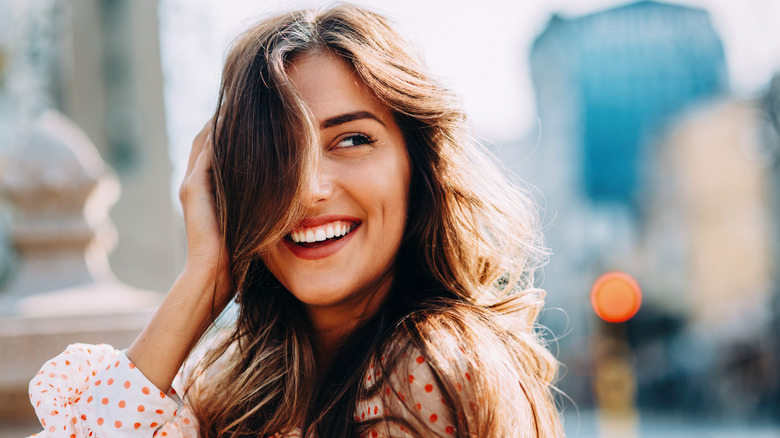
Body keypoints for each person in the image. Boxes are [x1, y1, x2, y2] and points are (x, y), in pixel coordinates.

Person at [28, 4, 563, 437]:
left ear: (416, 167)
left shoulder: (423, 376)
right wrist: (204, 279)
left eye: (352, 139)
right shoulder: (239, 387)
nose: (308, 188)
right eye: (276, 154)